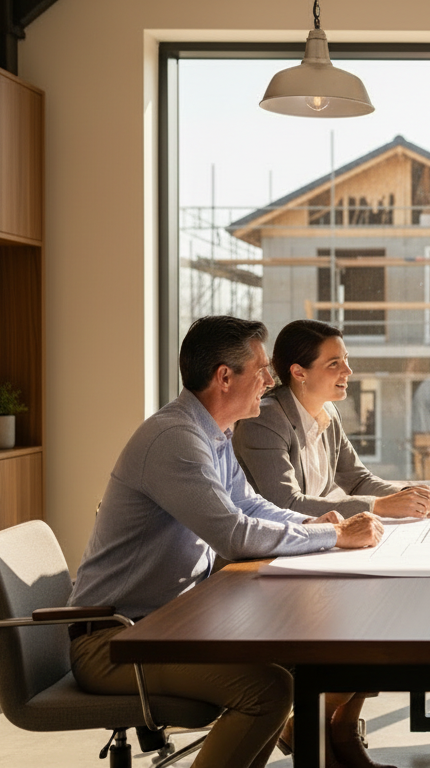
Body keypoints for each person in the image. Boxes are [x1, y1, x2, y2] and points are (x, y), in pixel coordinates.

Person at [68, 316, 384, 768]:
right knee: (267, 689)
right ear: (224, 377)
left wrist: (320, 524)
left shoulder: (213, 434)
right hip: (119, 641)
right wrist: (331, 534)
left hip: (173, 624)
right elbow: (235, 535)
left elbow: (252, 507)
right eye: (260, 369)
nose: (269, 379)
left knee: (305, 652)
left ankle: (329, 750)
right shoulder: (175, 439)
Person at [234, 319, 430, 522]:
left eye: (345, 359)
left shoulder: (328, 410)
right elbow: (286, 504)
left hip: (315, 537)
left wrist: (406, 493)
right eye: (334, 363)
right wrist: (378, 506)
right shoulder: (264, 420)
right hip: (271, 545)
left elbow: (357, 480)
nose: (348, 371)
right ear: (299, 372)